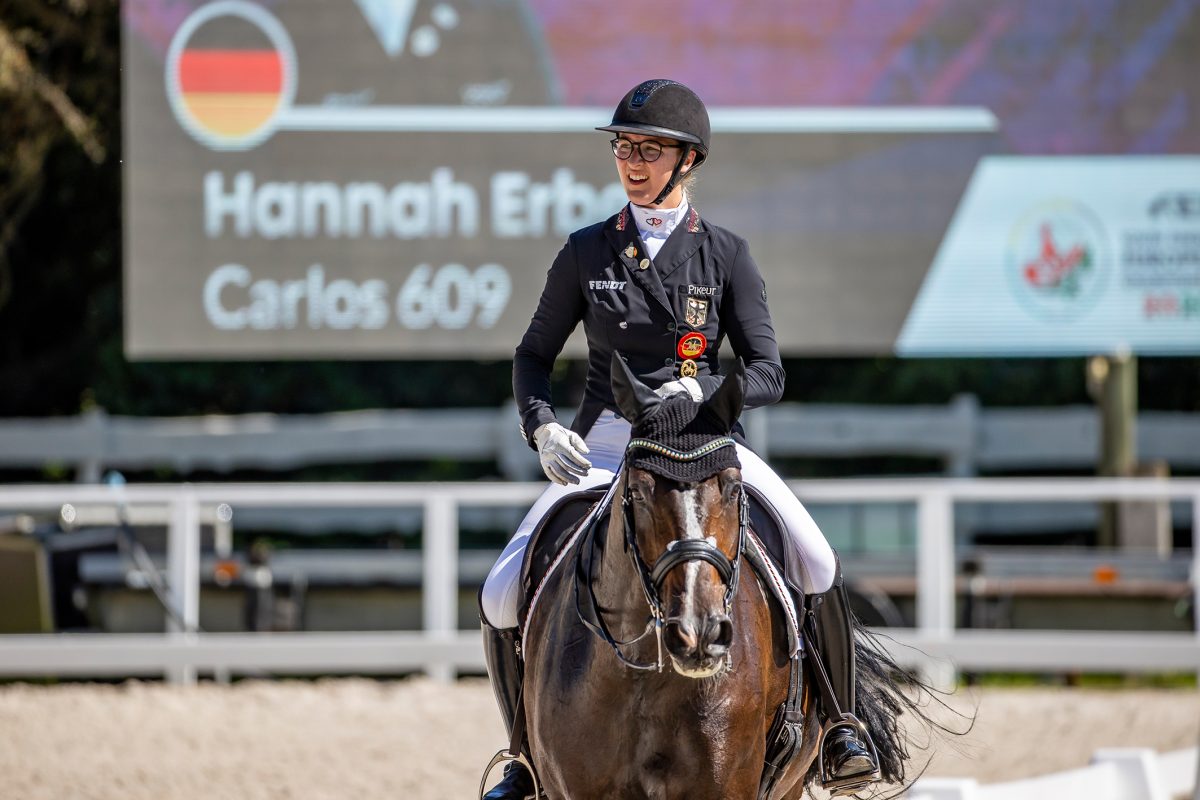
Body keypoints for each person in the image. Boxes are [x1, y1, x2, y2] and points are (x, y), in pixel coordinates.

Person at [477, 79, 880, 799]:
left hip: (704, 440)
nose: (632, 162)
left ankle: (842, 727)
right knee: (501, 592)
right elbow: (532, 355)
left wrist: (705, 391)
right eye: (624, 148)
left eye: (649, 150)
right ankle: (523, 757)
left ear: (687, 160)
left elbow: (768, 370)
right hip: (610, 442)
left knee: (817, 559)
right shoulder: (588, 252)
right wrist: (541, 425)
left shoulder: (724, 253)